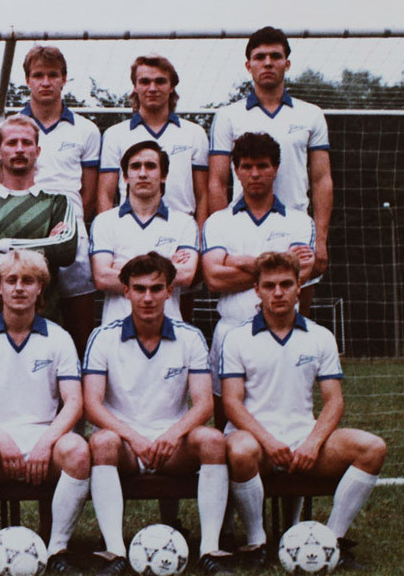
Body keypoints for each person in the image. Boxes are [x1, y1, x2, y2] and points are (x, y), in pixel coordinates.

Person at [221, 251, 386, 568]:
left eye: (286, 284)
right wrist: (269, 442)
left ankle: (332, 542)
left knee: (372, 448)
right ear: (257, 290)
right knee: (240, 450)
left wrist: (312, 442)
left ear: (299, 287)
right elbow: (231, 403)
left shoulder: (320, 336)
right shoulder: (236, 338)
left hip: (302, 438)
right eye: (269, 285)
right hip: (257, 442)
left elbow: (334, 401)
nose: (278, 292)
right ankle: (257, 544)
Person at [83, 252, 233, 576]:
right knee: (102, 442)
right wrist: (133, 437)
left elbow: (204, 404)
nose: (148, 297)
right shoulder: (104, 337)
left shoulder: (190, 337)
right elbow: (92, 404)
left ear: (169, 291)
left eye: (156, 288)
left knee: (212, 439)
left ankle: (210, 550)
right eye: (139, 289)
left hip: (171, 446)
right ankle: (114, 552)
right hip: (125, 444)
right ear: (126, 291)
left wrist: (173, 434)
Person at [0, 249, 90, 574]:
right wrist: (2, 440)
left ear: (39, 287)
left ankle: (58, 550)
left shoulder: (59, 338)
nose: (19, 287)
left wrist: (46, 443)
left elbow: (74, 401)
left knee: (77, 450)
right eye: (11, 280)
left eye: (28, 281)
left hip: (45, 437)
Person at [208, 27, 334, 314]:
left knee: (294, 318)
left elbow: (322, 179)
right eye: (260, 57)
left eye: (275, 56)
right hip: (243, 231)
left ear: (287, 64)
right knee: (240, 312)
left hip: (296, 231)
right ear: (248, 65)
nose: (267, 63)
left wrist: (321, 238)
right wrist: (221, 232)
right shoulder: (228, 116)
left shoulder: (311, 114)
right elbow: (217, 181)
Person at [0, 45, 101, 356]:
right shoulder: (8, 129)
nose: (46, 82)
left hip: (70, 233)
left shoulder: (87, 130)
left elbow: (89, 193)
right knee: (23, 315)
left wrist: (65, 225)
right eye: (38, 75)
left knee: (79, 325)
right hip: (20, 231)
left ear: (64, 78)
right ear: (27, 80)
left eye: (53, 75)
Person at [202, 132, 315, 423]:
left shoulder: (300, 222)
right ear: (236, 169)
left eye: (262, 165)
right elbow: (213, 278)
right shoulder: (218, 222)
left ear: (275, 168)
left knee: (288, 418)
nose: (255, 174)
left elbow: (301, 274)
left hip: (282, 333)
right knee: (225, 422)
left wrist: (238, 261)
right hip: (230, 330)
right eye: (247, 166)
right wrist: (277, 265)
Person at [0, 114, 77, 323]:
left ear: (37, 151)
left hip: (46, 316)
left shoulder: (58, 202)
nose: (19, 149)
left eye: (26, 143)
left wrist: (4, 245)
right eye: (11, 143)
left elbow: (66, 250)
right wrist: (44, 246)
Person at [90, 140, 198, 325]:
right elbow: (101, 278)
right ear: (125, 176)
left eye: (150, 166)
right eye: (135, 167)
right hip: (116, 330)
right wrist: (167, 266)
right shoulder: (104, 221)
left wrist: (121, 266)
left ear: (164, 175)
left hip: (168, 329)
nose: (142, 173)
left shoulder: (184, 223)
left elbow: (186, 275)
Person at [97, 55, 209, 225]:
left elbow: (202, 196)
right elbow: (105, 194)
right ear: (135, 86)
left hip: (181, 230)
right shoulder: (115, 134)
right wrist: (108, 230)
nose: (152, 88)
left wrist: (199, 235)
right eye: (145, 82)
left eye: (160, 81)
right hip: (129, 228)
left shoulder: (194, 133)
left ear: (172, 86)